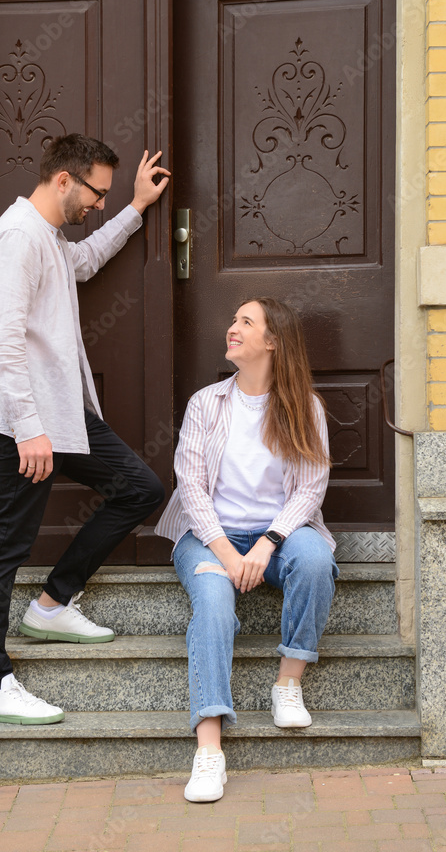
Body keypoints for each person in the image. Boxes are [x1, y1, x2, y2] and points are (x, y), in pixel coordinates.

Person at [0, 133, 170, 725]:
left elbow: (83, 262)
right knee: (4, 545)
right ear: (63, 180)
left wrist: (136, 208)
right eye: (97, 193)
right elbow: (2, 343)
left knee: (140, 489)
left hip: (58, 414)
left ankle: (54, 603)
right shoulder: (15, 239)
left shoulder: (48, 238)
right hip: (27, 422)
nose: (98, 204)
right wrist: (29, 429)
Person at [154, 298, 338, 802]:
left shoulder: (305, 407)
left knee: (316, 559)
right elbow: (189, 486)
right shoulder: (206, 403)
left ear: (272, 340)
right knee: (213, 606)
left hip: (275, 535)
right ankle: (209, 751)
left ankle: (288, 682)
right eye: (233, 319)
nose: (232, 328)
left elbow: (309, 488)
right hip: (208, 536)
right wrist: (228, 555)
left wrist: (268, 542)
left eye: (245, 322)